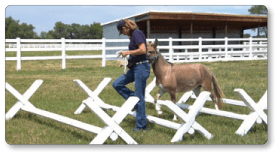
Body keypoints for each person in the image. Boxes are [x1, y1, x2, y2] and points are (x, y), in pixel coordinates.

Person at [112, 19, 150, 131]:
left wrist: (128, 52)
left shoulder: (137, 34)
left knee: (139, 97)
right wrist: (125, 61)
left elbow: (143, 50)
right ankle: (134, 103)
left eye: (122, 31)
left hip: (141, 68)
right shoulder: (133, 36)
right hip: (135, 68)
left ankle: (141, 126)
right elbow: (136, 55)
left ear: (125, 28)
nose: (123, 34)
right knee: (117, 84)